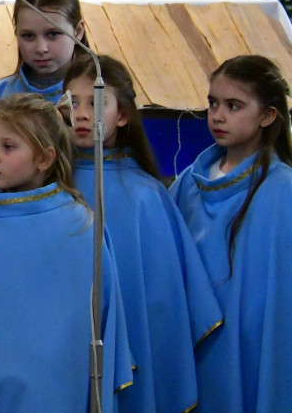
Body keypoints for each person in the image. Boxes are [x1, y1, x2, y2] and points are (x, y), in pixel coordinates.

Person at [0, 94, 132, 411]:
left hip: (51, 387)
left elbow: (100, 319)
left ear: (45, 158)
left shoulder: (80, 226)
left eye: (9, 147)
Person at [64, 55, 222, 413]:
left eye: (96, 102)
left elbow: (163, 304)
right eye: (73, 103)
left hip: (134, 352)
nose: (83, 114)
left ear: (122, 116)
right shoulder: (49, 186)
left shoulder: (146, 197)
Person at [170, 55, 292, 411]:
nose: (218, 116)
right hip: (199, 342)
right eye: (213, 104)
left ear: (267, 116)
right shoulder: (188, 185)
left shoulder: (282, 190)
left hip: (255, 343)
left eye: (234, 106)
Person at [0, 0, 87, 103]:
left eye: (53, 34)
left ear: (78, 31)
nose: (41, 48)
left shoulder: (101, 92)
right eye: (28, 36)